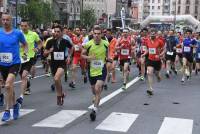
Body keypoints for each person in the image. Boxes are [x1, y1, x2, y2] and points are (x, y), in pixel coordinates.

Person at [0, 13, 28, 121]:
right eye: (3, 20)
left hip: (14, 63)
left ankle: (7, 111)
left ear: (11, 21)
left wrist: (25, 53)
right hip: (2, 63)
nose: (5, 22)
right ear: (1, 21)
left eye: (7, 20)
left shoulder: (17, 33)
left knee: (7, 85)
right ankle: (15, 105)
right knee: (9, 86)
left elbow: (25, 44)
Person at [81, 25, 109, 121]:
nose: (96, 35)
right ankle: (97, 97)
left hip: (102, 69)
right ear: (92, 34)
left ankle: (94, 109)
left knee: (97, 88)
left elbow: (108, 55)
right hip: (91, 70)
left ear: (101, 34)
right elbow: (82, 55)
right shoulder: (88, 44)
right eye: (95, 34)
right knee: (94, 91)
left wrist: (109, 59)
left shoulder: (106, 44)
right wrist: (89, 58)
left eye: (98, 34)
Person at [44, 25, 72, 105]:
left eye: (58, 32)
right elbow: (44, 53)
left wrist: (69, 57)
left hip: (62, 63)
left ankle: (59, 96)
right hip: (53, 63)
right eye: (55, 32)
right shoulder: (50, 42)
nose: (56, 33)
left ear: (61, 33)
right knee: (57, 80)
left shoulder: (65, 41)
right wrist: (49, 51)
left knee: (56, 78)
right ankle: (62, 94)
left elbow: (71, 48)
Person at [145, 30, 165, 95]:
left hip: (157, 60)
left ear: (155, 34)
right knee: (149, 73)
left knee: (156, 73)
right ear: (150, 34)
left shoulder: (159, 41)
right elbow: (148, 49)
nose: (152, 35)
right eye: (151, 34)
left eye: (154, 34)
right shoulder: (147, 41)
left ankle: (158, 76)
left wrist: (160, 55)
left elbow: (164, 49)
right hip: (150, 59)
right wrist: (144, 54)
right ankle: (151, 88)